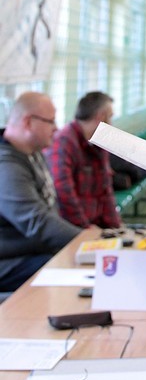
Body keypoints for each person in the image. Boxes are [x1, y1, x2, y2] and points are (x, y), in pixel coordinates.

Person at [0, 92, 80, 291]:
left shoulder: (31, 152)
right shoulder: (6, 166)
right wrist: (86, 241)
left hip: (33, 252)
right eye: (50, 121)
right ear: (28, 122)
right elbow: (37, 222)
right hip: (10, 261)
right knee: (69, 273)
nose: (56, 128)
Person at [45, 90, 122, 229]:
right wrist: (85, 228)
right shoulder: (64, 143)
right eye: (110, 117)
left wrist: (116, 227)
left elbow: (105, 190)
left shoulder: (98, 143)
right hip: (72, 228)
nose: (111, 124)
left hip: (93, 225)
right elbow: (64, 192)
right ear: (100, 117)